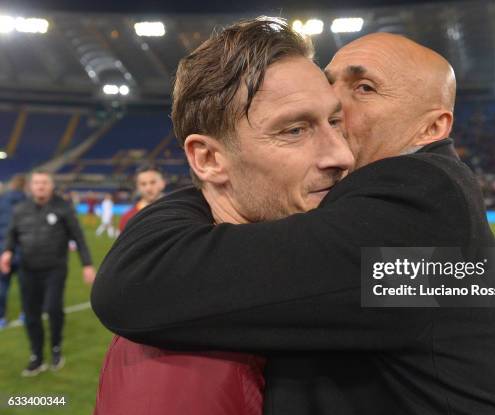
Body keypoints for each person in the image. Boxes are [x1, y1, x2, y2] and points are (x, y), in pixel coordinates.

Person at [93, 31, 495, 414]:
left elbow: (136, 282)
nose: (340, 138)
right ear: (208, 158)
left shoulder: (426, 192)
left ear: (432, 127)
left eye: (364, 88)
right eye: (297, 127)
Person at [93, 18, 352, 415]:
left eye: (335, 121)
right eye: (295, 130)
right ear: (209, 159)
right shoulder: (186, 354)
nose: (342, 155)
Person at [1, 170, 96, 376]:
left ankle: (55, 348)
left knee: (53, 309)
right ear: (30, 186)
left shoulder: (63, 208)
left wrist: (87, 264)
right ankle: (36, 355)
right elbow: (11, 235)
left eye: (44, 182)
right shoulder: (20, 209)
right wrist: (7, 252)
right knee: (31, 314)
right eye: (36, 183)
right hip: (27, 270)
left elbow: (78, 237)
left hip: (55, 269)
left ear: (51, 185)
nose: (40, 186)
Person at [0, 174, 26, 329]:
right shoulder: (28, 202)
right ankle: (25, 313)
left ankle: (1, 316)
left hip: (3, 248)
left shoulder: (2, 201)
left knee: (2, 284)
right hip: (23, 249)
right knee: (25, 285)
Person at [118, 164, 165, 232]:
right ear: (137, 187)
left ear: (163, 183)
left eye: (153, 182)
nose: (148, 188)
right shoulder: (128, 218)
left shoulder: (176, 212)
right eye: (143, 184)